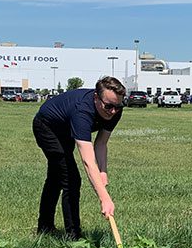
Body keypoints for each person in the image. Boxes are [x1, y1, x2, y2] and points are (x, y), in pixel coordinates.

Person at [32, 76, 126, 239]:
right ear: (96, 97)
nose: (113, 111)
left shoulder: (114, 110)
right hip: (47, 127)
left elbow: (101, 143)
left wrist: (103, 171)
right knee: (70, 179)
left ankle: (45, 228)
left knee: (56, 177)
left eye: (117, 106)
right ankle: (73, 236)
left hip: (66, 128)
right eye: (108, 106)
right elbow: (88, 161)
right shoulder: (82, 112)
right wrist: (104, 198)